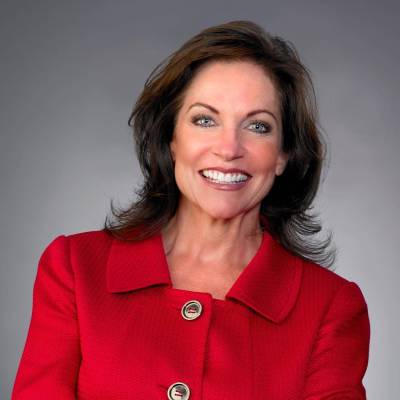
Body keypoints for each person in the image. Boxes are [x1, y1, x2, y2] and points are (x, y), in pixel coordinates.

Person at [12, 20, 370, 399]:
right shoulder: (75, 269)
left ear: (283, 154)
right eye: (205, 120)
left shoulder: (330, 307)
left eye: (258, 126)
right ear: (171, 140)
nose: (228, 148)